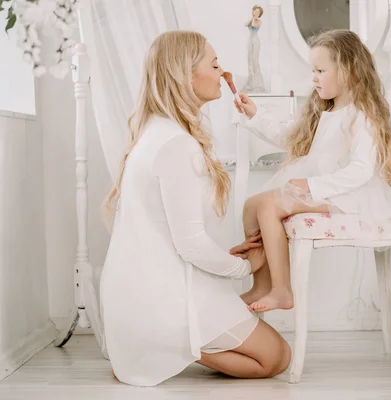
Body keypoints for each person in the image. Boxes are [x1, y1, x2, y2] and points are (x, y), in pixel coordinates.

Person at [100, 30, 290, 387]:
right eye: (214, 64)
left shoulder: (155, 132)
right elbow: (190, 246)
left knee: (265, 346)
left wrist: (226, 262)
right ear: (184, 75)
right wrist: (245, 266)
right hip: (162, 294)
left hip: (139, 288)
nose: (223, 73)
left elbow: (165, 235)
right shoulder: (176, 143)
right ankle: (166, 341)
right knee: (277, 357)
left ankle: (153, 341)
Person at [232, 29, 391, 313]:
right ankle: (262, 284)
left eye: (320, 70)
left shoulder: (362, 114)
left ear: (348, 70)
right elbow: (291, 139)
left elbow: (361, 170)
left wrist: (312, 185)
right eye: (313, 70)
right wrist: (255, 115)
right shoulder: (325, 110)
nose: (314, 78)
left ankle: (282, 290)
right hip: (327, 188)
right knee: (251, 206)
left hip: (351, 193)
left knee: (270, 207)